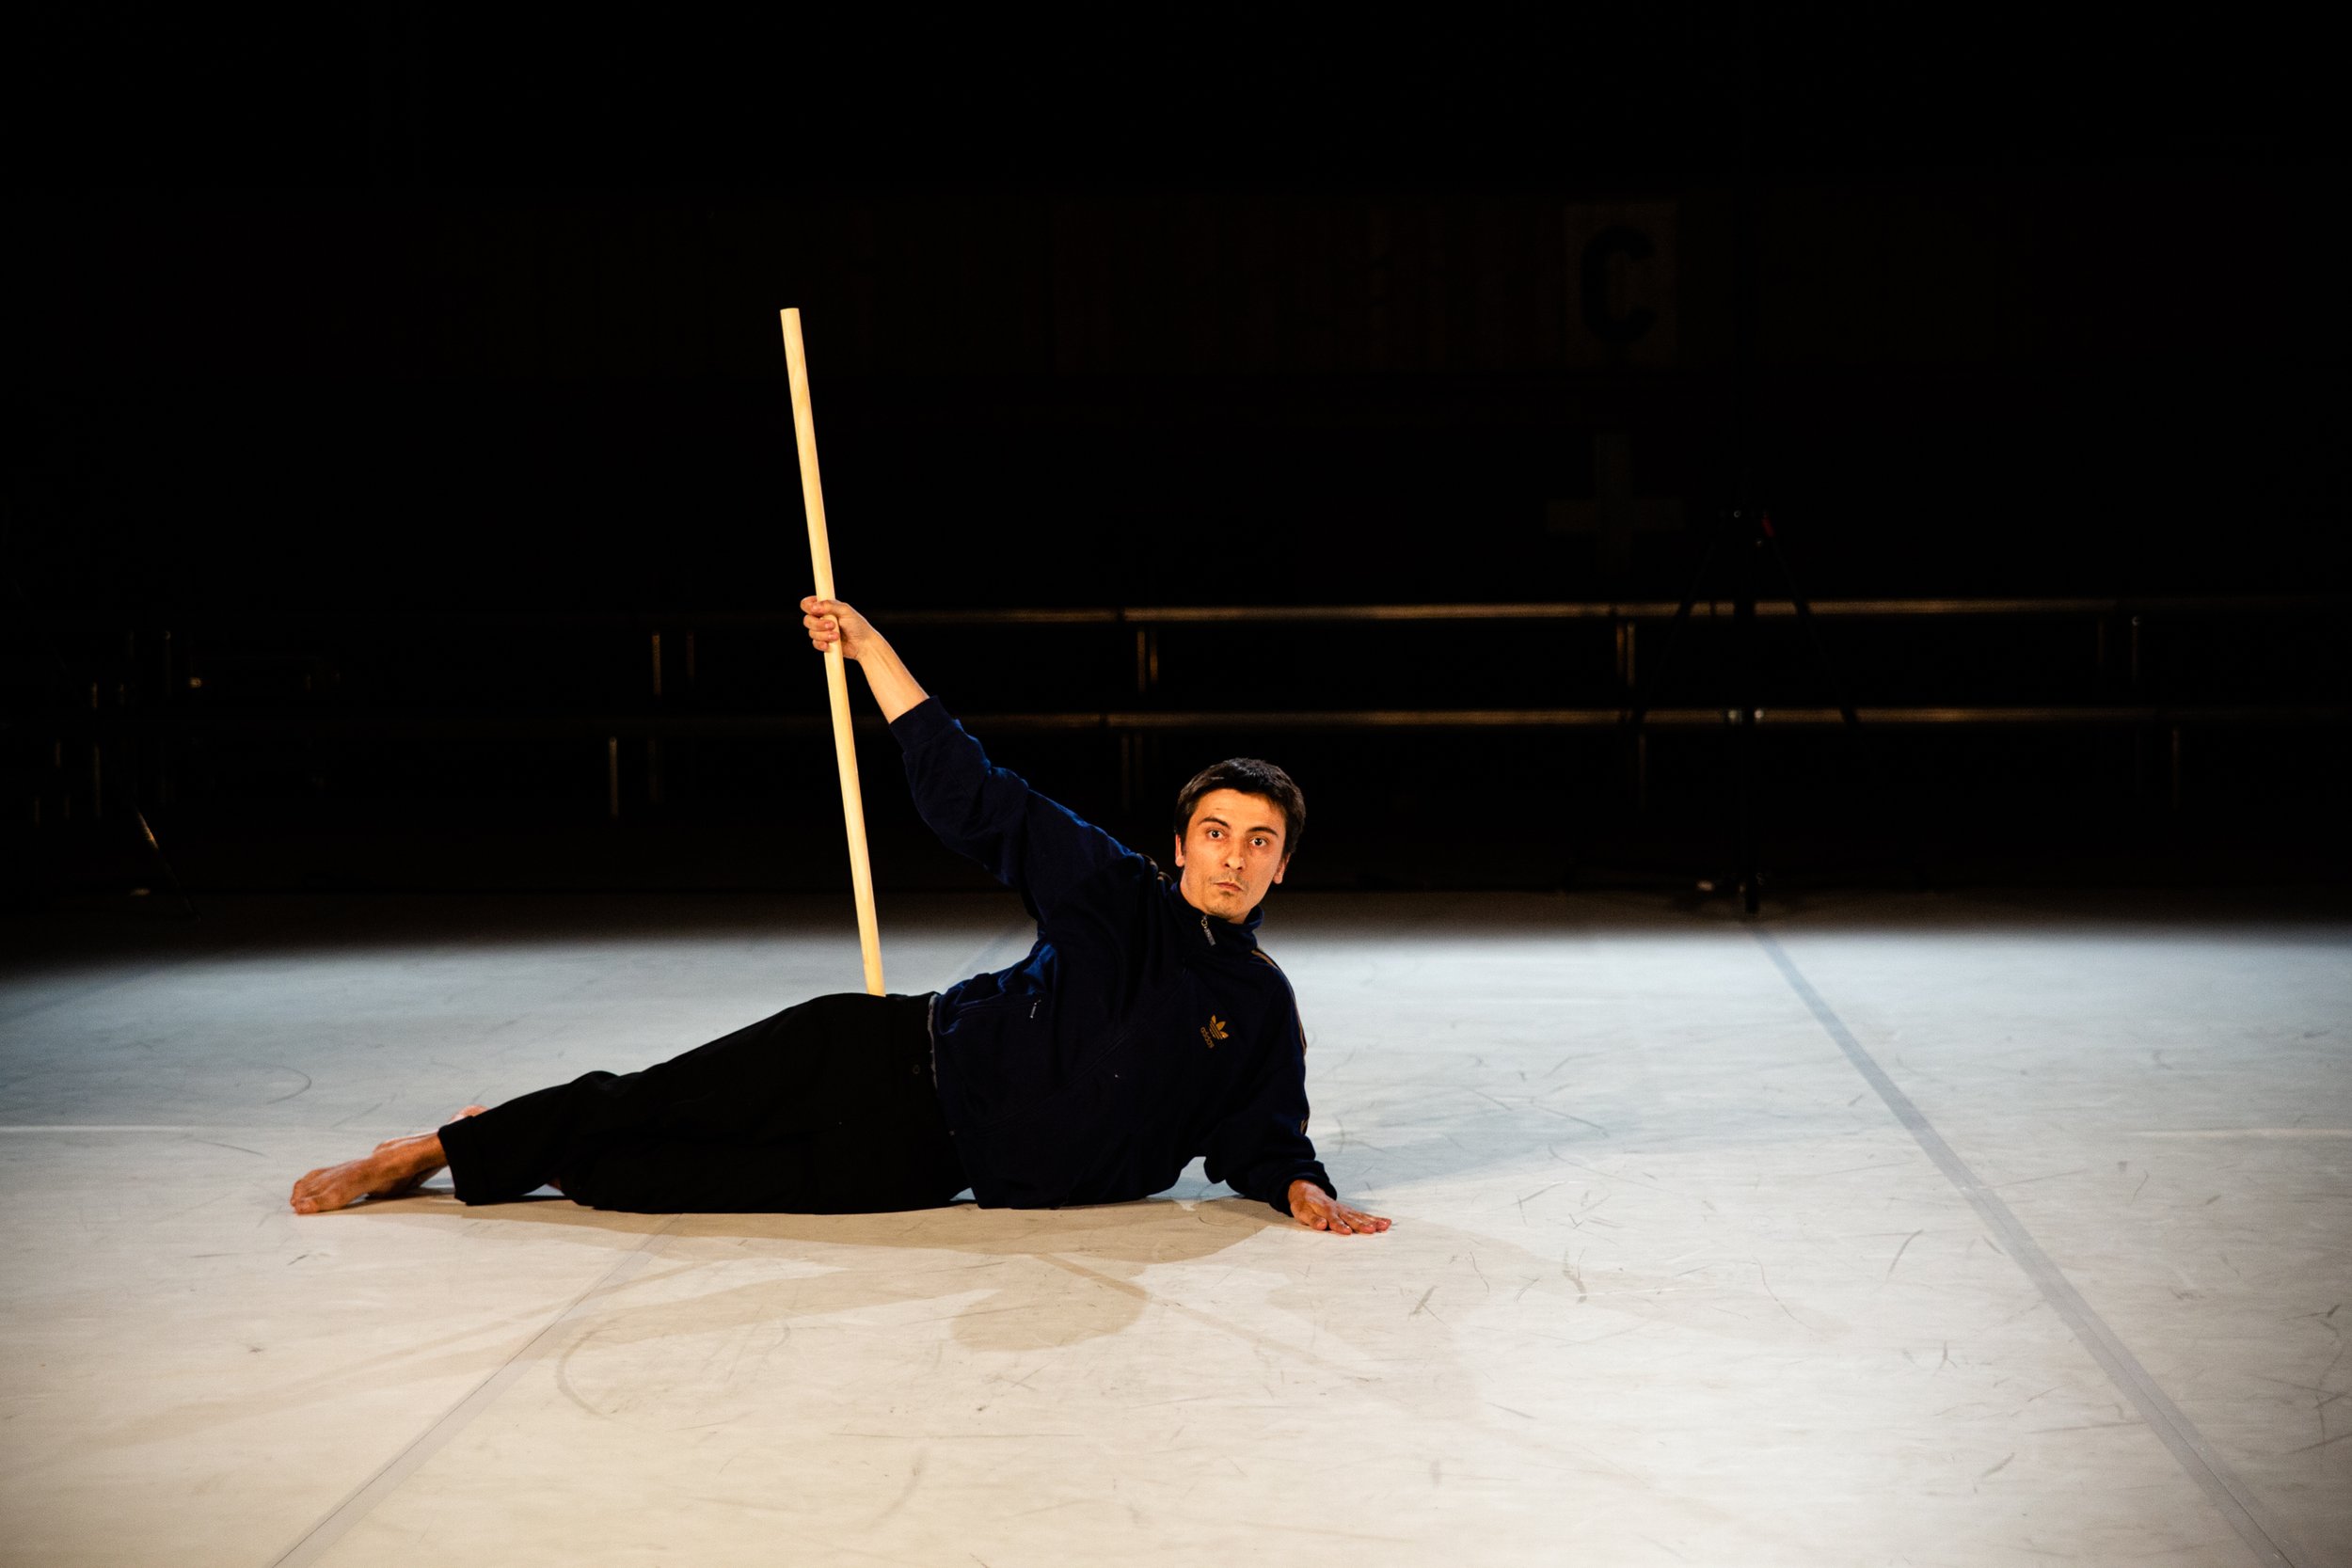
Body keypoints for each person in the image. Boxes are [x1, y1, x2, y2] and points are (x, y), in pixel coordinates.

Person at [289, 597, 1391, 1236]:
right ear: (1182, 840)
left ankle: (523, 1131)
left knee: (645, 1182)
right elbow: (980, 794)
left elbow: (1260, 1135)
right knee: (652, 1100)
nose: (1233, 855)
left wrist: (1299, 1188)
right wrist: (867, 648)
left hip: (924, 1164)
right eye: (1216, 831)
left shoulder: (1259, 1006)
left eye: (1258, 841)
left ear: (1282, 866)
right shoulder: (1113, 887)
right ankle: (429, 1149)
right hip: (879, 1051)